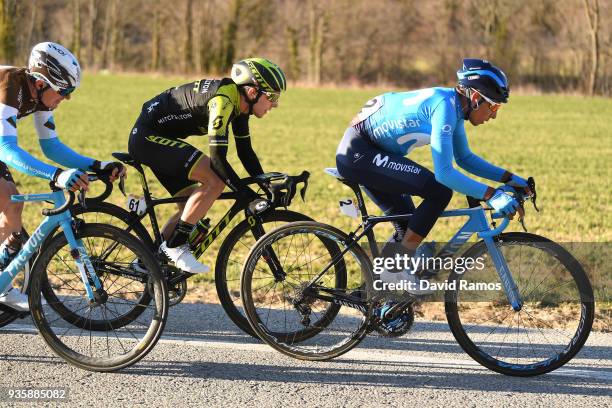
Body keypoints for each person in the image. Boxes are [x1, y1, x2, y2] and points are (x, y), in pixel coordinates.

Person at [336, 58, 530, 295]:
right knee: (438, 192)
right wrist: (491, 195)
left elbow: (465, 159)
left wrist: (509, 178)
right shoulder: (445, 107)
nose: (494, 116)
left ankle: (372, 293)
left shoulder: (453, 106)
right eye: (494, 107)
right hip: (359, 154)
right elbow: (445, 174)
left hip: (370, 152)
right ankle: (395, 272)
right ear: (477, 98)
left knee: (407, 224)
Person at [128, 57, 286, 273]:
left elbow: (245, 152)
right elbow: (218, 160)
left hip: (158, 138)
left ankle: (148, 262)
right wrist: (246, 194)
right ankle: (175, 247)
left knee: (194, 206)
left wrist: (266, 184)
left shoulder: (239, 104)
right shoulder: (223, 100)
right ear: (252, 91)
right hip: (147, 138)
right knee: (214, 181)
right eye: (272, 96)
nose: (275, 104)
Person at [0, 42, 125, 311]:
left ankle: (2, 281)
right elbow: (7, 148)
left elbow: (51, 146)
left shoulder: (40, 97)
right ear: (43, 82)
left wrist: (97, 165)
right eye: (64, 91)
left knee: (13, 205)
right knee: (4, 195)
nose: (66, 98)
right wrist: (56, 175)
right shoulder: (9, 83)